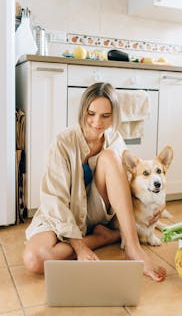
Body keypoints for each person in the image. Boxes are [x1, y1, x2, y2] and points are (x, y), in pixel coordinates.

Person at [23, 82, 166, 282]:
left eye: (105, 116)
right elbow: (54, 200)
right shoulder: (63, 142)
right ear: (83, 111)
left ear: (114, 116)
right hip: (62, 213)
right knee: (34, 259)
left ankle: (133, 249)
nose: (97, 122)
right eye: (91, 113)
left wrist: (155, 202)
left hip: (96, 212)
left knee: (110, 156)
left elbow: (131, 181)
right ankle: (105, 237)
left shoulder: (114, 139)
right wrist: (79, 246)